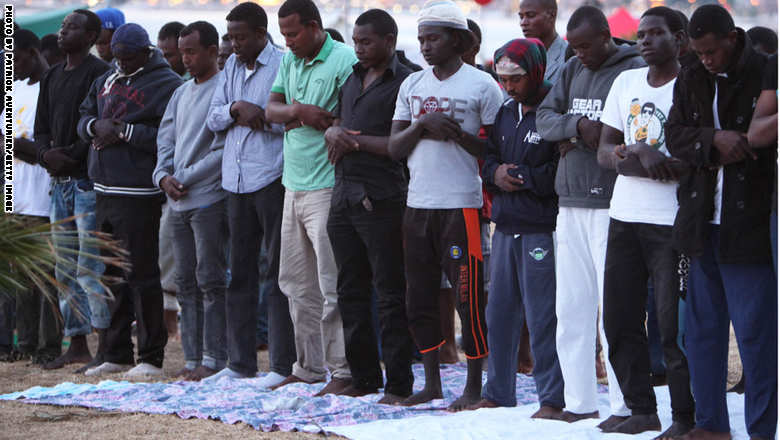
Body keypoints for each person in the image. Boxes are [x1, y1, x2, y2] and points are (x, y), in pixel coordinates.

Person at [665, 5, 775, 440]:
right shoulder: (691, 74)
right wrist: (714, 140)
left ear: (732, 38)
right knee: (701, 334)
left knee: (755, 338)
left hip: (749, 223)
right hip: (700, 221)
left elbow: (762, 140)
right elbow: (674, 135)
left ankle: (761, 431)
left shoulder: (764, 70)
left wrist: (738, 142)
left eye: (712, 51)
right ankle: (712, 425)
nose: (706, 59)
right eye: (698, 52)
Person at [388, 0, 502, 411]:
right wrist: (422, 125)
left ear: (457, 40)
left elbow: (496, 149)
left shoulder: (483, 86)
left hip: (462, 206)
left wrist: (455, 134)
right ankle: (432, 383)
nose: (425, 46)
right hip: (418, 204)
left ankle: (473, 385)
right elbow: (394, 147)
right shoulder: (412, 85)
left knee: (468, 298)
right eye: (421, 39)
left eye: (433, 38)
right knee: (418, 297)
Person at [536, 5, 644, 428]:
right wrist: (578, 127)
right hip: (569, 201)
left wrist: (584, 135)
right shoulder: (570, 69)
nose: (578, 54)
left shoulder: (632, 70)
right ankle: (579, 401)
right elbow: (545, 119)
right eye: (574, 47)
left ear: (605, 36)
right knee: (570, 309)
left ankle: (623, 405)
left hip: (612, 204)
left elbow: (626, 134)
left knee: (614, 313)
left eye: (584, 46)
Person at [596, 7, 695, 437]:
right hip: (624, 217)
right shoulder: (626, 82)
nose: (645, 41)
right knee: (619, 320)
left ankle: (686, 417)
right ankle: (641, 408)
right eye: (641, 35)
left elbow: (694, 160)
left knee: (673, 329)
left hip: (672, 222)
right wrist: (635, 154)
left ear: (680, 39)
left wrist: (653, 160)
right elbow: (605, 150)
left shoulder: (692, 85)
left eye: (656, 33)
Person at [78, 23, 183, 378]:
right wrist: (96, 127)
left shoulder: (167, 83)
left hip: (138, 192)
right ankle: (116, 352)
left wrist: (123, 131)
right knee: (111, 274)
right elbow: (83, 116)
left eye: (128, 57)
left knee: (142, 275)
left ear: (145, 51)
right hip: (103, 189)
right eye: (117, 56)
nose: (121, 63)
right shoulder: (107, 78)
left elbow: (169, 136)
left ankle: (150, 357)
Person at [467, 37, 564, 419]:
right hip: (505, 225)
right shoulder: (506, 112)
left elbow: (560, 171)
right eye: (503, 79)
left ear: (536, 72)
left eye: (516, 79)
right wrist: (495, 174)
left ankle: (551, 398)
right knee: (500, 314)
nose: (508, 86)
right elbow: (489, 159)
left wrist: (521, 176)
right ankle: (498, 392)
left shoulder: (554, 109)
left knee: (542, 316)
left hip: (541, 227)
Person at [265, 0, 356, 396]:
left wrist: (293, 115)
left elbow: (350, 119)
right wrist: (300, 111)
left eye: (293, 33)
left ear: (315, 26)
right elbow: (271, 109)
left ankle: (343, 370)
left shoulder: (344, 60)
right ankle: (308, 367)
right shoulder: (290, 59)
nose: (287, 41)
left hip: (327, 185)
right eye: (283, 34)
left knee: (331, 283)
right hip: (293, 184)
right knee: (296, 283)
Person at [322, 8, 414, 403]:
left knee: (390, 293)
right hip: (343, 192)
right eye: (356, 41)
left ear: (389, 41)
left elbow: (403, 144)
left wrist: (354, 141)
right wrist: (333, 132)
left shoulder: (407, 81)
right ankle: (363, 377)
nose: (358, 48)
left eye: (366, 42)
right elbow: (338, 122)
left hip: (382, 197)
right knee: (349, 289)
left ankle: (398, 383)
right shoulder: (351, 77)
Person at [203, 2, 296, 388]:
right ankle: (240, 363)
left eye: (240, 37)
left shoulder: (284, 64)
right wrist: (237, 108)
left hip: (271, 179)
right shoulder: (230, 68)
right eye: (230, 37)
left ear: (261, 34)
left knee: (276, 274)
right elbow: (213, 118)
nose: (234, 44)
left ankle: (281, 364)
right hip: (235, 182)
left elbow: (288, 120)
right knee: (238, 273)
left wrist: (261, 116)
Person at [34, 9, 112, 372]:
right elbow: (41, 127)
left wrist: (71, 156)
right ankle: (77, 342)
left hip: (86, 183)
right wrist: (46, 154)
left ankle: (107, 345)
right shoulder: (51, 75)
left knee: (90, 267)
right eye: (63, 26)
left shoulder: (100, 74)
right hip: (58, 184)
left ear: (92, 36)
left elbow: (99, 125)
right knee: (64, 267)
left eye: (72, 27)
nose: (63, 32)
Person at [153, 21, 227, 381]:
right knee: (184, 282)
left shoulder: (224, 89)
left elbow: (223, 149)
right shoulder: (181, 92)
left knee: (210, 279)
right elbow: (165, 139)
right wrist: (163, 176)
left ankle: (214, 359)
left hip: (208, 199)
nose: (185, 59)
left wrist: (186, 177)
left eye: (191, 52)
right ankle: (192, 357)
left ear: (212, 51)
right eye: (182, 52)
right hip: (177, 201)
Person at [2, 29, 61, 365]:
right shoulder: (15, 90)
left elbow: (47, 147)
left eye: (15, 58)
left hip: (44, 196)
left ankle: (49, 345)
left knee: (47, 275)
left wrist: (24, 148)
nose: (10, 65)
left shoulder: (51, 88)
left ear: (33, 52)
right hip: (16, 195)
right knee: (22, 274)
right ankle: (25, 342)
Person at [518, 0, 567, 84]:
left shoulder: (569, 58)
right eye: (521, 17)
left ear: (551, 15)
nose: (523, 23)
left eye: (531, 15)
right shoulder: (519, 57)